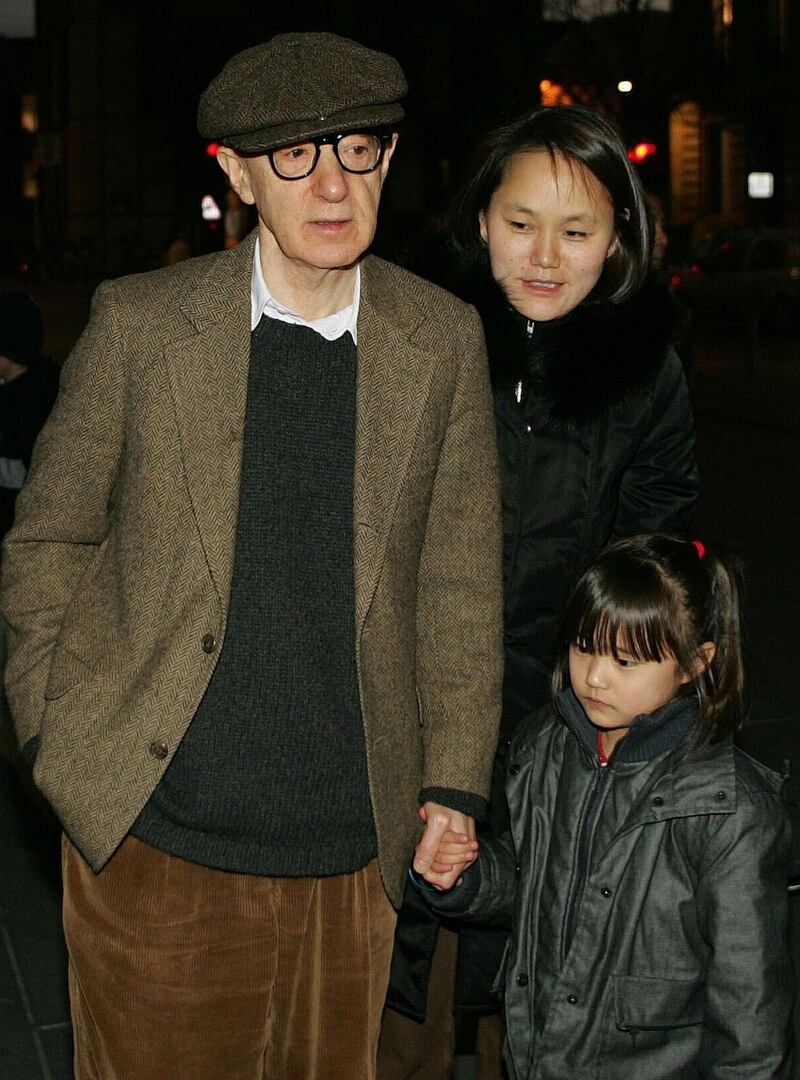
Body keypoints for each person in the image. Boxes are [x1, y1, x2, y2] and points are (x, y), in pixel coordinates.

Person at [0, 32, 503, 1080]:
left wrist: (451, 787)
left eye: (357, 148)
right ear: (232, 170)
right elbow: (50, 535)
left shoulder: (438, 339)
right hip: (157, 850)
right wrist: (57, 732)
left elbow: (457, 582)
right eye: (293, 156)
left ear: (390, 160)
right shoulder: (141, 327)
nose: (331, 183)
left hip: (355, 858)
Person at [380, 104, 699, 1079]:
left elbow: (658, 555)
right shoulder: (415, 344)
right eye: (520, 223)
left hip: (565, 730)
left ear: (617, 242)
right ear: (479, 221)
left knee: (537, 987)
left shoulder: (642, 372)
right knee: (409, 995)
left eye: (577, 230)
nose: (546, 256)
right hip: (417, 712)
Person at [418, 533, 794, 1079]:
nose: (595, 676)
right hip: (535, 1057)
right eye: (584, 647)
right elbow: (534, 885)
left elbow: (750, 1013)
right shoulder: (545, 748)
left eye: (626, 660)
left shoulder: (728, 811)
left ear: (694, 663)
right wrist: (469, 873)